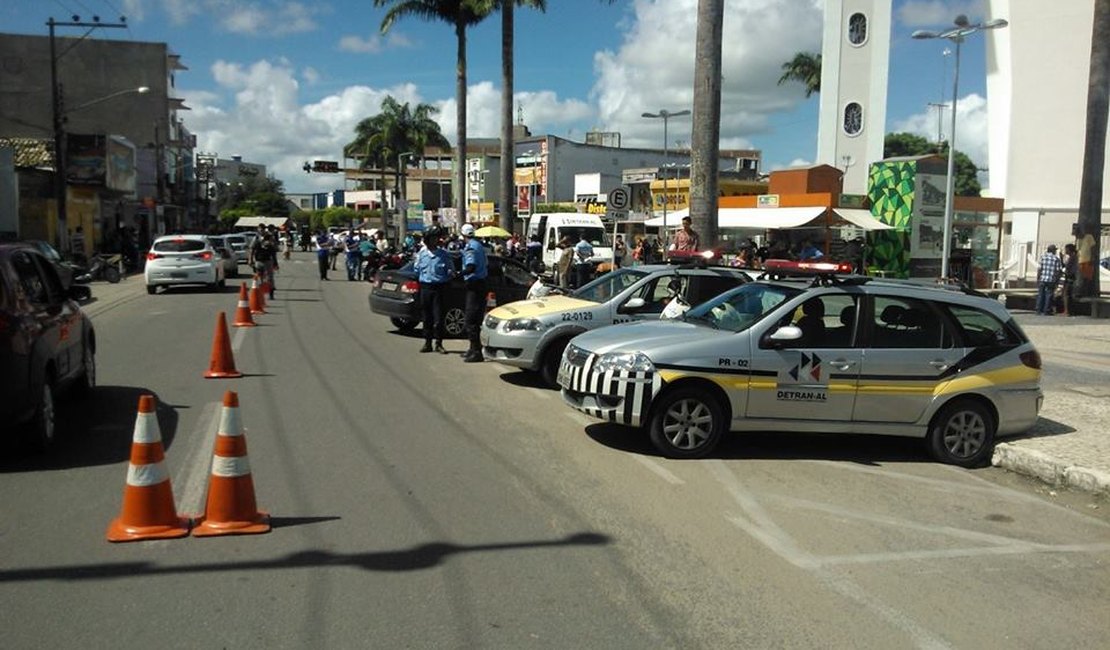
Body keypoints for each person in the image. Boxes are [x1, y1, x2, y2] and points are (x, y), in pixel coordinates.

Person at [414, 233, 452, 354]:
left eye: (436, 238)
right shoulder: (422, 254)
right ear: (427, 240)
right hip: (425, 288)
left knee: (438, 318)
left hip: (439, 289)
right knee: (426, 318)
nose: (434, 240)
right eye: (432, 239)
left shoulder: (443, 255)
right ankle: (427, 343)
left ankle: (439, 344)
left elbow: (450, 270)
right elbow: (416, 269)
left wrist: (450, 274)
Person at [460, 223, 488, 362]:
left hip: (475, 285)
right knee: (474, 318)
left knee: (471, 319)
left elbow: (471, 266)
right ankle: (472, 348)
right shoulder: (479, 246)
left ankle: (477, 351)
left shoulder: (471, 247)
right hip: (479, 284)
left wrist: (459, 273)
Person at [249, 229, 278, 299]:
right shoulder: (258, 242)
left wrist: (275, 263)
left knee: (268, 278)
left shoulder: (270, 245)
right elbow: (252, 250)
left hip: (266, 262)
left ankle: (270, 293)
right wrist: (250, 259)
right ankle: (260, 293)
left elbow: (273, 254)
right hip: (260, 262)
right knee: (261, 278)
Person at [1035, 244, 1062, 315]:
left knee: (1041, 294)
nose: (1055, 251)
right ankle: (1046, 310)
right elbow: (1058, 271)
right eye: (1055, 250)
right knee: (1049, 295)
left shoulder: (1042, 257)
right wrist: (1057, 280)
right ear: (1053, 250)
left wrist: (1038, 278)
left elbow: (1040, 269)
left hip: (1042, 278)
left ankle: (1038, 309)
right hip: (1051, 279)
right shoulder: (1056, 259)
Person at [1061, 243, 1078, 316]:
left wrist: (1067, 274)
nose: (1065, 250)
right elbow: (1065, 266)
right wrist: (1061, 258)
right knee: (1068, 295)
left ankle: (1066, 311)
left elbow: (1072, 269)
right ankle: (1068, 310)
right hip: (1069, 278)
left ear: (1069, 250)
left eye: (1066, 249)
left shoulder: (1073, 258)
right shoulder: (1072, 257)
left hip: (1070, 279)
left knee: (1066, 295)